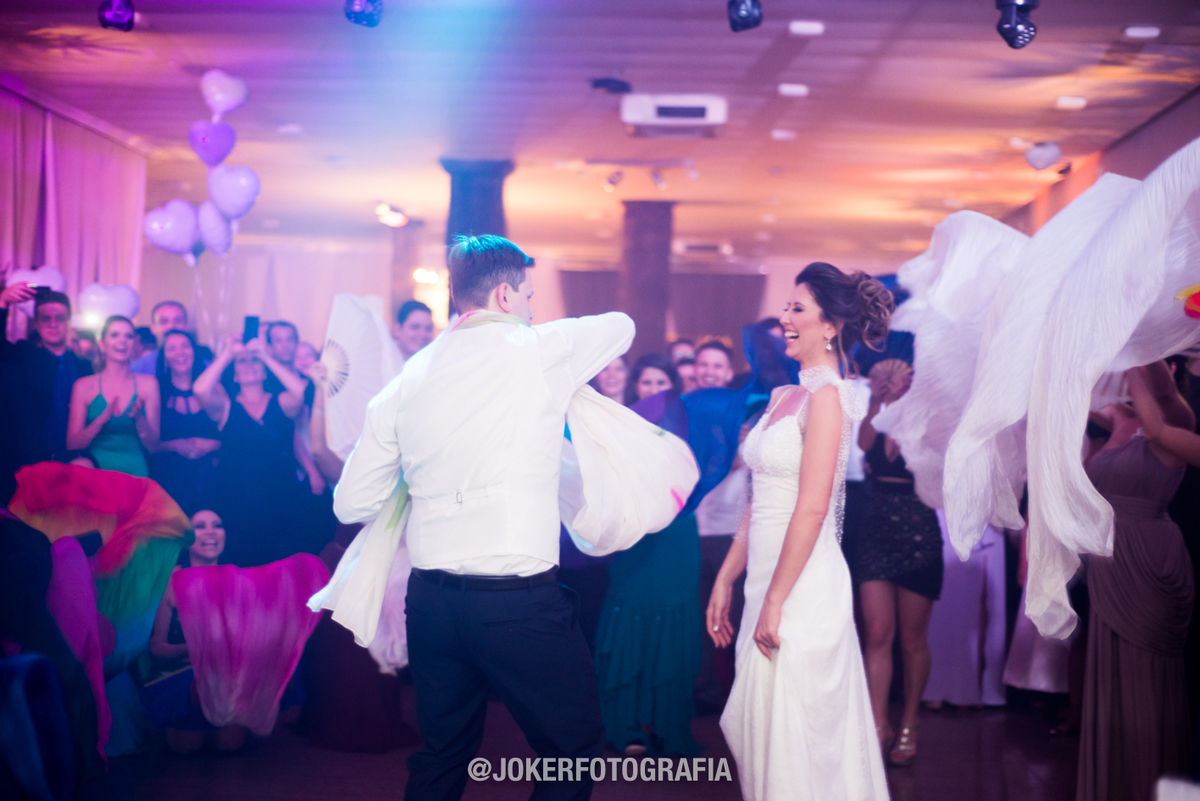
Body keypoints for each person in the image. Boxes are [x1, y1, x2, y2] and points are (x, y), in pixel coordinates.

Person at [333, 234, 632, 801]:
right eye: (528, 296)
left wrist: (423, 468)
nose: (532, 309)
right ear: (503, 295)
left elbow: (351, 504)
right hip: (517, 602)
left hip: (430, 604)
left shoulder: (406, 381)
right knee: (571, 750)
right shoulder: (539, 350)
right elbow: (621, 326)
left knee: (442, 755)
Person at [711, 261, 892, 801]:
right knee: (760, 728)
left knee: (802, 731)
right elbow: (758, 501)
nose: (784, 318)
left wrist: (776, 600)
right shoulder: (781, 398)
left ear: (830, 326)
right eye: (786, 308)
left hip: (801, 583)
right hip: (764, 575)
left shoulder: (827, 399)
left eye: (797, 309)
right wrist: (726, 577)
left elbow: (812, 509)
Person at [1076, 361, 1195, 801]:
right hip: (1111, 562)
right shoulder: (1122, 421)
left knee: (1146, 677)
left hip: (1149, 562)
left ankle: (1148, 786)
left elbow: (1157, 402)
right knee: (1112, 675)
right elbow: (1070, 395)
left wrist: (1137, 344)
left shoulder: (1177, 423)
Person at [594, 354, 701, 757]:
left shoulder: (688, 424)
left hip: (677, 537)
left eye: (661, 384)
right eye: (646, 383)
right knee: (629, 618)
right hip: (635, 535)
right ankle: (624, 725)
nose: (653, 391)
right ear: (635, 387)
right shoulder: (617, 424)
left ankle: (670, 724)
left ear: (672, 387)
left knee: (674, 622)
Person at [854, 357, 944, 765]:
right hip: (875, 525)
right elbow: (863, 442)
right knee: (876, 633)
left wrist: (910, 405)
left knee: (911, 638)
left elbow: (929, 459)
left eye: (901, 377)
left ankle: (910, 720)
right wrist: (875, 400)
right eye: (890, 377)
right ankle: (877, 723)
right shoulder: (880, 412)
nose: (894, 382)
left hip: (918, 526)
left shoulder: (931, 417)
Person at [193, 336, 314, 567]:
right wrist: (228, 353)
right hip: (237, 500)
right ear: (235, 375)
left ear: (265, 371)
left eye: (254, 361)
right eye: (242, 362)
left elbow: (300, 390)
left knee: (283, 567)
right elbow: (200, 389)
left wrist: (267, 356)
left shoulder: (282, 402)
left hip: (281, 497)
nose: (248, 365)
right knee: (242, 566)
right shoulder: (226, 406)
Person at [147, 509, 249, 754]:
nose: (211, 531)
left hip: (226, 681)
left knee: (229, 744)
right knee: (186, 747)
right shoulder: (170, 582)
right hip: (183, 680)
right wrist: (194, 649)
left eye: (217, 524)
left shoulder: (239, 581)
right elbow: (156, 646)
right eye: (201, 526)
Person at [0, 285, 95, 489]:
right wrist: (2, 304)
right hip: (31, 458)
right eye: (45, 318)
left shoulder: (84, 366)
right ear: (36, 322)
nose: (53, 324)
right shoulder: (24, 356)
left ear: (69, 320)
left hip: (75, 456)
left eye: (59, 318)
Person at [66, 316, 160, 477]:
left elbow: (154, 447)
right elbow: (72, 445)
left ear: (134, 344)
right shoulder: (83, 386)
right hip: (95, 472)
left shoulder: (149, 384)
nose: (122, 341)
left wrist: (139, 420)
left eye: (128, 336)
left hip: (135, 474)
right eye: (115, 335)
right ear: (102, 344)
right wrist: (99, 422)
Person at [151, 331, 221, 513]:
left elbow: (234, 432)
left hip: (211, 479)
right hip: (170, 480)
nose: (179, 352)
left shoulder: (215, 388)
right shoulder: (155, 392)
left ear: (194, 352)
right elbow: (148, 443)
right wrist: (176, 445)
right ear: (164, 359)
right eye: (171, 348)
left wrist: (213, 444)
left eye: (185, 345)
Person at [131, 300, 190, 375]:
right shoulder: (138, 369)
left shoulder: (203, 364)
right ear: (153, 329)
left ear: (186, 326)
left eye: (177, 320)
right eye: (164, 321)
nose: (171, 326)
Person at [392, 299, 435, 363]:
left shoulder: (435, 364)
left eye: (428, 328)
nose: (422, 334)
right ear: (398, 329)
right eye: (415, 327)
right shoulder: (382, 363)